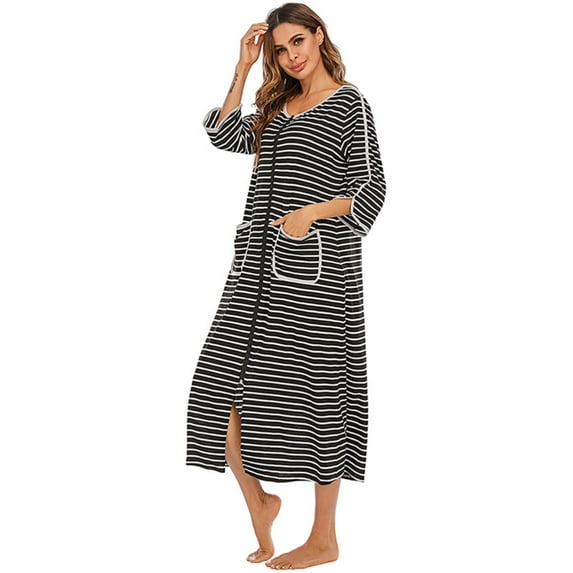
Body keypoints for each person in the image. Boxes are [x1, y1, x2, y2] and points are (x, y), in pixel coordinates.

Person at [186, 3, 386, 569]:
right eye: (280, 48)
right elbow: (224, 135)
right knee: (217, 387)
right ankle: (261, 501)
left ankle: (324, 537)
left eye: (298, 41)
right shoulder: (277, 104)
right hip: (253, 269)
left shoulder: (349, 103)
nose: (291, 55)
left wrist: (311, 214)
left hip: (319, 276)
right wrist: (243, 68)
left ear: (319, 36)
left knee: (323, 396)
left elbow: (371, 187)